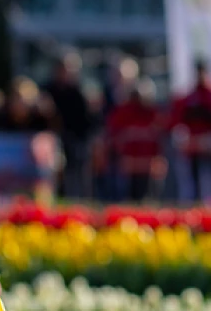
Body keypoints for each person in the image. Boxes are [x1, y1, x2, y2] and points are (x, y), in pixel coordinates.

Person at [170, 59, 211, 201]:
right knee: (195, 175)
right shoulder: (189, 97)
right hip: (195, 141)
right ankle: (197, 201)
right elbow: (177, 118)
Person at [106, 77, 164, 202]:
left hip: (147, 163)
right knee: (127, 196)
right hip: (129, 163)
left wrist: (158, 159)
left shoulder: (153, 113)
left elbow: (159, 138)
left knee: (147, 196)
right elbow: (114, 135)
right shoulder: (124, 112)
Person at [45, 53, 94, 198]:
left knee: (76, 170)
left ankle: (77, 196)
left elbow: (87, 120)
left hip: (76, 139)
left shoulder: (80, 92)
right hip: (53, 138)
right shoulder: (48, 90)